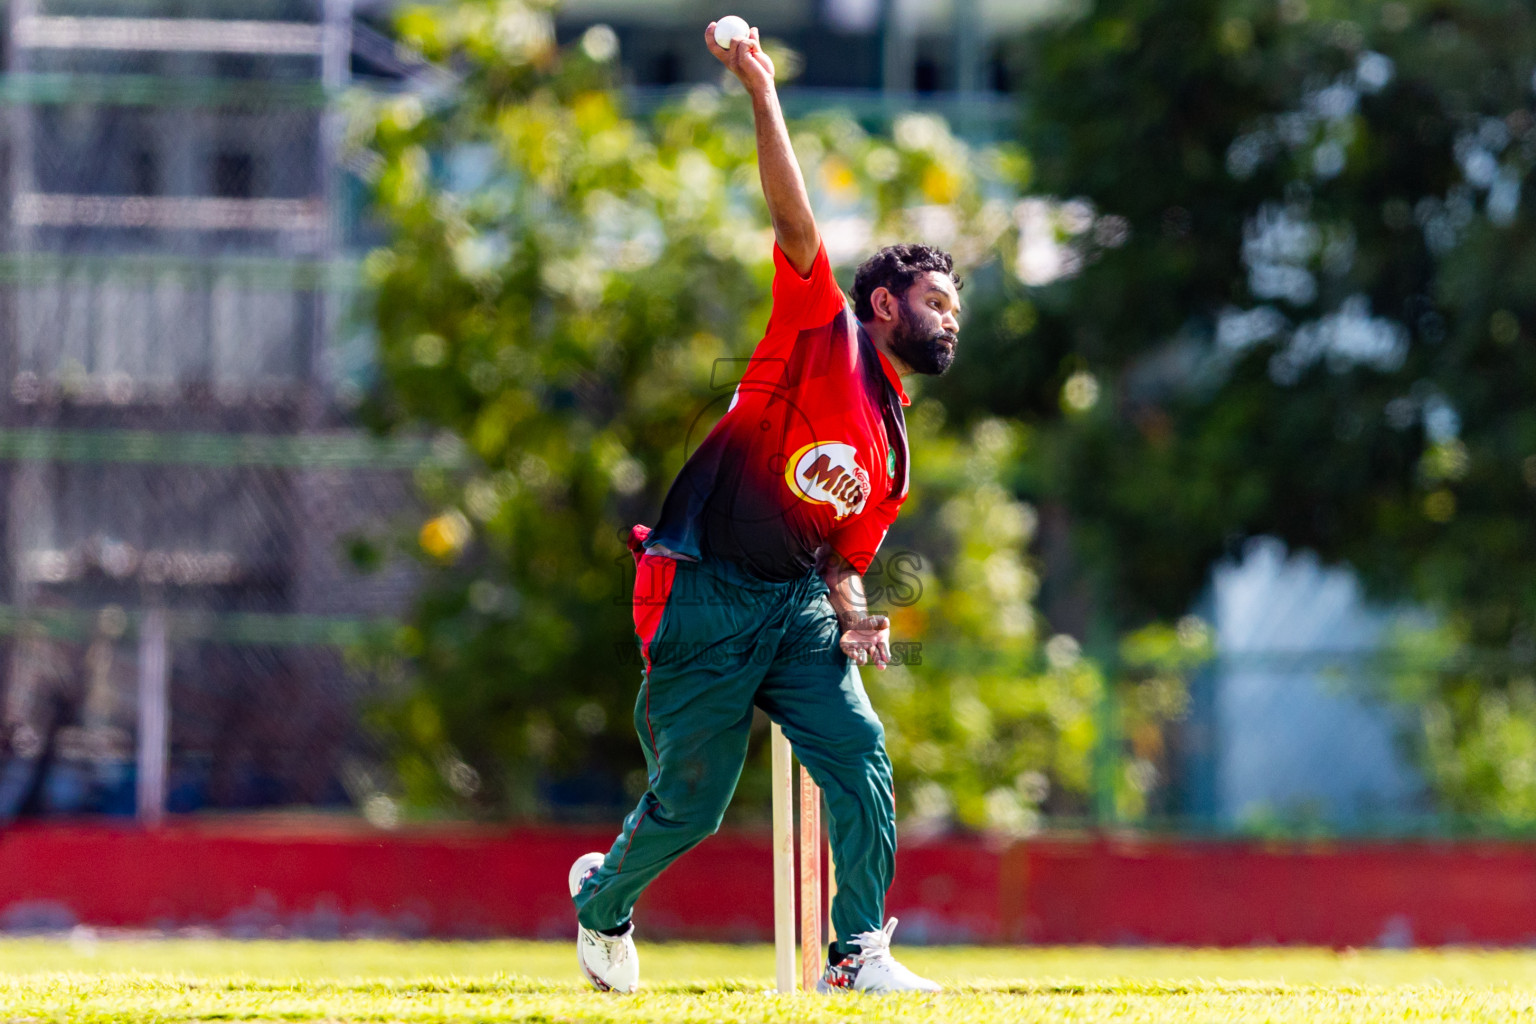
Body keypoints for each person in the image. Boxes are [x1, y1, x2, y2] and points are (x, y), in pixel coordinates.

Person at [568, 20, 962, 995]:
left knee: (861, 755)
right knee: (694, 804)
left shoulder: (894, 449)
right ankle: (602, 902)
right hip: (703, 585)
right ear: (883, 305)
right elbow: (792, 221)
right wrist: (761, 88)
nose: (951, 318)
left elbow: (841, 554)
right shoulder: (820, 329)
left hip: (793, 608)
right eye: (937, 302)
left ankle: (856, 952)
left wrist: (856, 613)